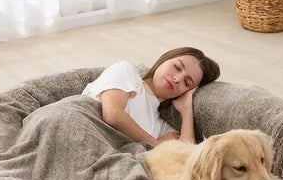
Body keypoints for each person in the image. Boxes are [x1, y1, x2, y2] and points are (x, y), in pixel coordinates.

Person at [82, 47, 220, 146]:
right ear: (165, 59)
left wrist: (186, 111)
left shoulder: (160, 127)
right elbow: (112, 114)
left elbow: (184, 155)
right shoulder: (126, 72)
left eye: (187, 82)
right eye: (177, 67)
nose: (177, 78)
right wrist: (157, 145)